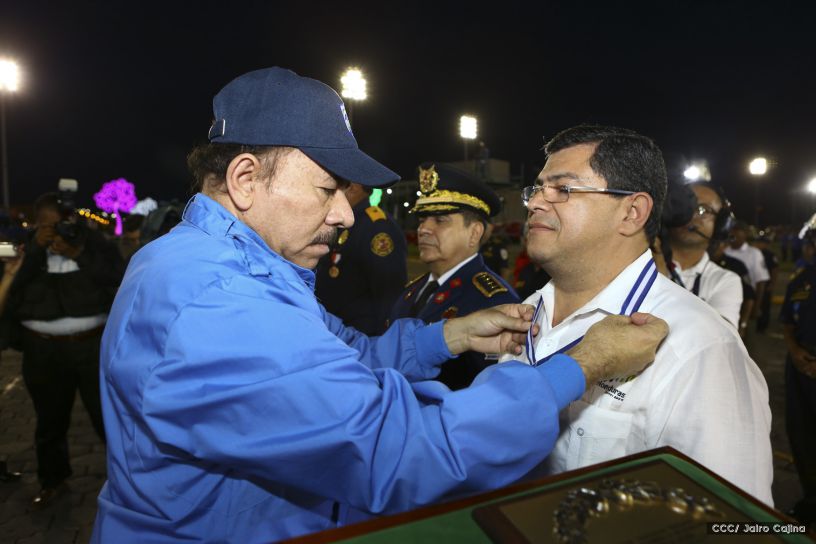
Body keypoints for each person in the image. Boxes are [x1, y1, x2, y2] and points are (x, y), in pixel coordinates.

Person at [91, 68, 669, 543]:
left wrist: (453, 336)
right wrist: (580, 364)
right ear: (246, 179)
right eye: (328, 189)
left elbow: (349, 354)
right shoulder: (218, 300)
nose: (346, 215)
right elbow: (403, 452)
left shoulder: (226, 264)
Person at [502, 125, 773, 504]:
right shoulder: (517, 315)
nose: (534, 204)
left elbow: (731, 521)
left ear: (632, 212)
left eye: (563, 189)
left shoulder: (698, 346)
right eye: (537, 189)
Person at [2, 192, 125, 509]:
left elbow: (116, 277)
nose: (56, 230)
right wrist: (34, 253)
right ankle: (52, 481)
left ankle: (126, 482)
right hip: (43, 352)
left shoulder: (94, 243)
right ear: (38, 222)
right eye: (47, 224)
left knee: (107, 418)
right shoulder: (25, 248)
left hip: (92, 347)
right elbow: (10, 291)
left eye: (61, 223)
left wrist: (77, 253)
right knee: (49, 421)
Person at [390, 163, 519, 390]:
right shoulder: (413, 291)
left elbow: (493, 394)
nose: (424, 229)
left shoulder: (494, 303)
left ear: (474, 233)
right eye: (422, 220)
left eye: (440, 220)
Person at [315, 182, 406, 335]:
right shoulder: (346, 222)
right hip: (336, 330)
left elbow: (388, 293)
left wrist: (383, 343)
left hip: (361, 337)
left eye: (338, 187)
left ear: (354, 187)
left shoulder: (377, 227)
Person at [666, 182, 742, 328]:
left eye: (703, 209)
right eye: (683, 206)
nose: (690, 215)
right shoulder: (638, 263)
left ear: (721, 224)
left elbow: (719, 340)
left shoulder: (724, 280)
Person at [780, 225, 816, 526]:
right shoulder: (802, 280)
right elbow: (788, 322)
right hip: (801, 365)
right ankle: (811, 500)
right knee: (802, 435)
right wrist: (794, 351)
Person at [725, 221, 770, 326]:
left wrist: (757, 306)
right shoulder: (724, 251)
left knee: (744, 336)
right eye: (731, 236)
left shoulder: (754, 253)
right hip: (726, 301)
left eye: (737, 236)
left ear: (744, 235)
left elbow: (760, 282)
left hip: (746, 303)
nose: (733, 238)